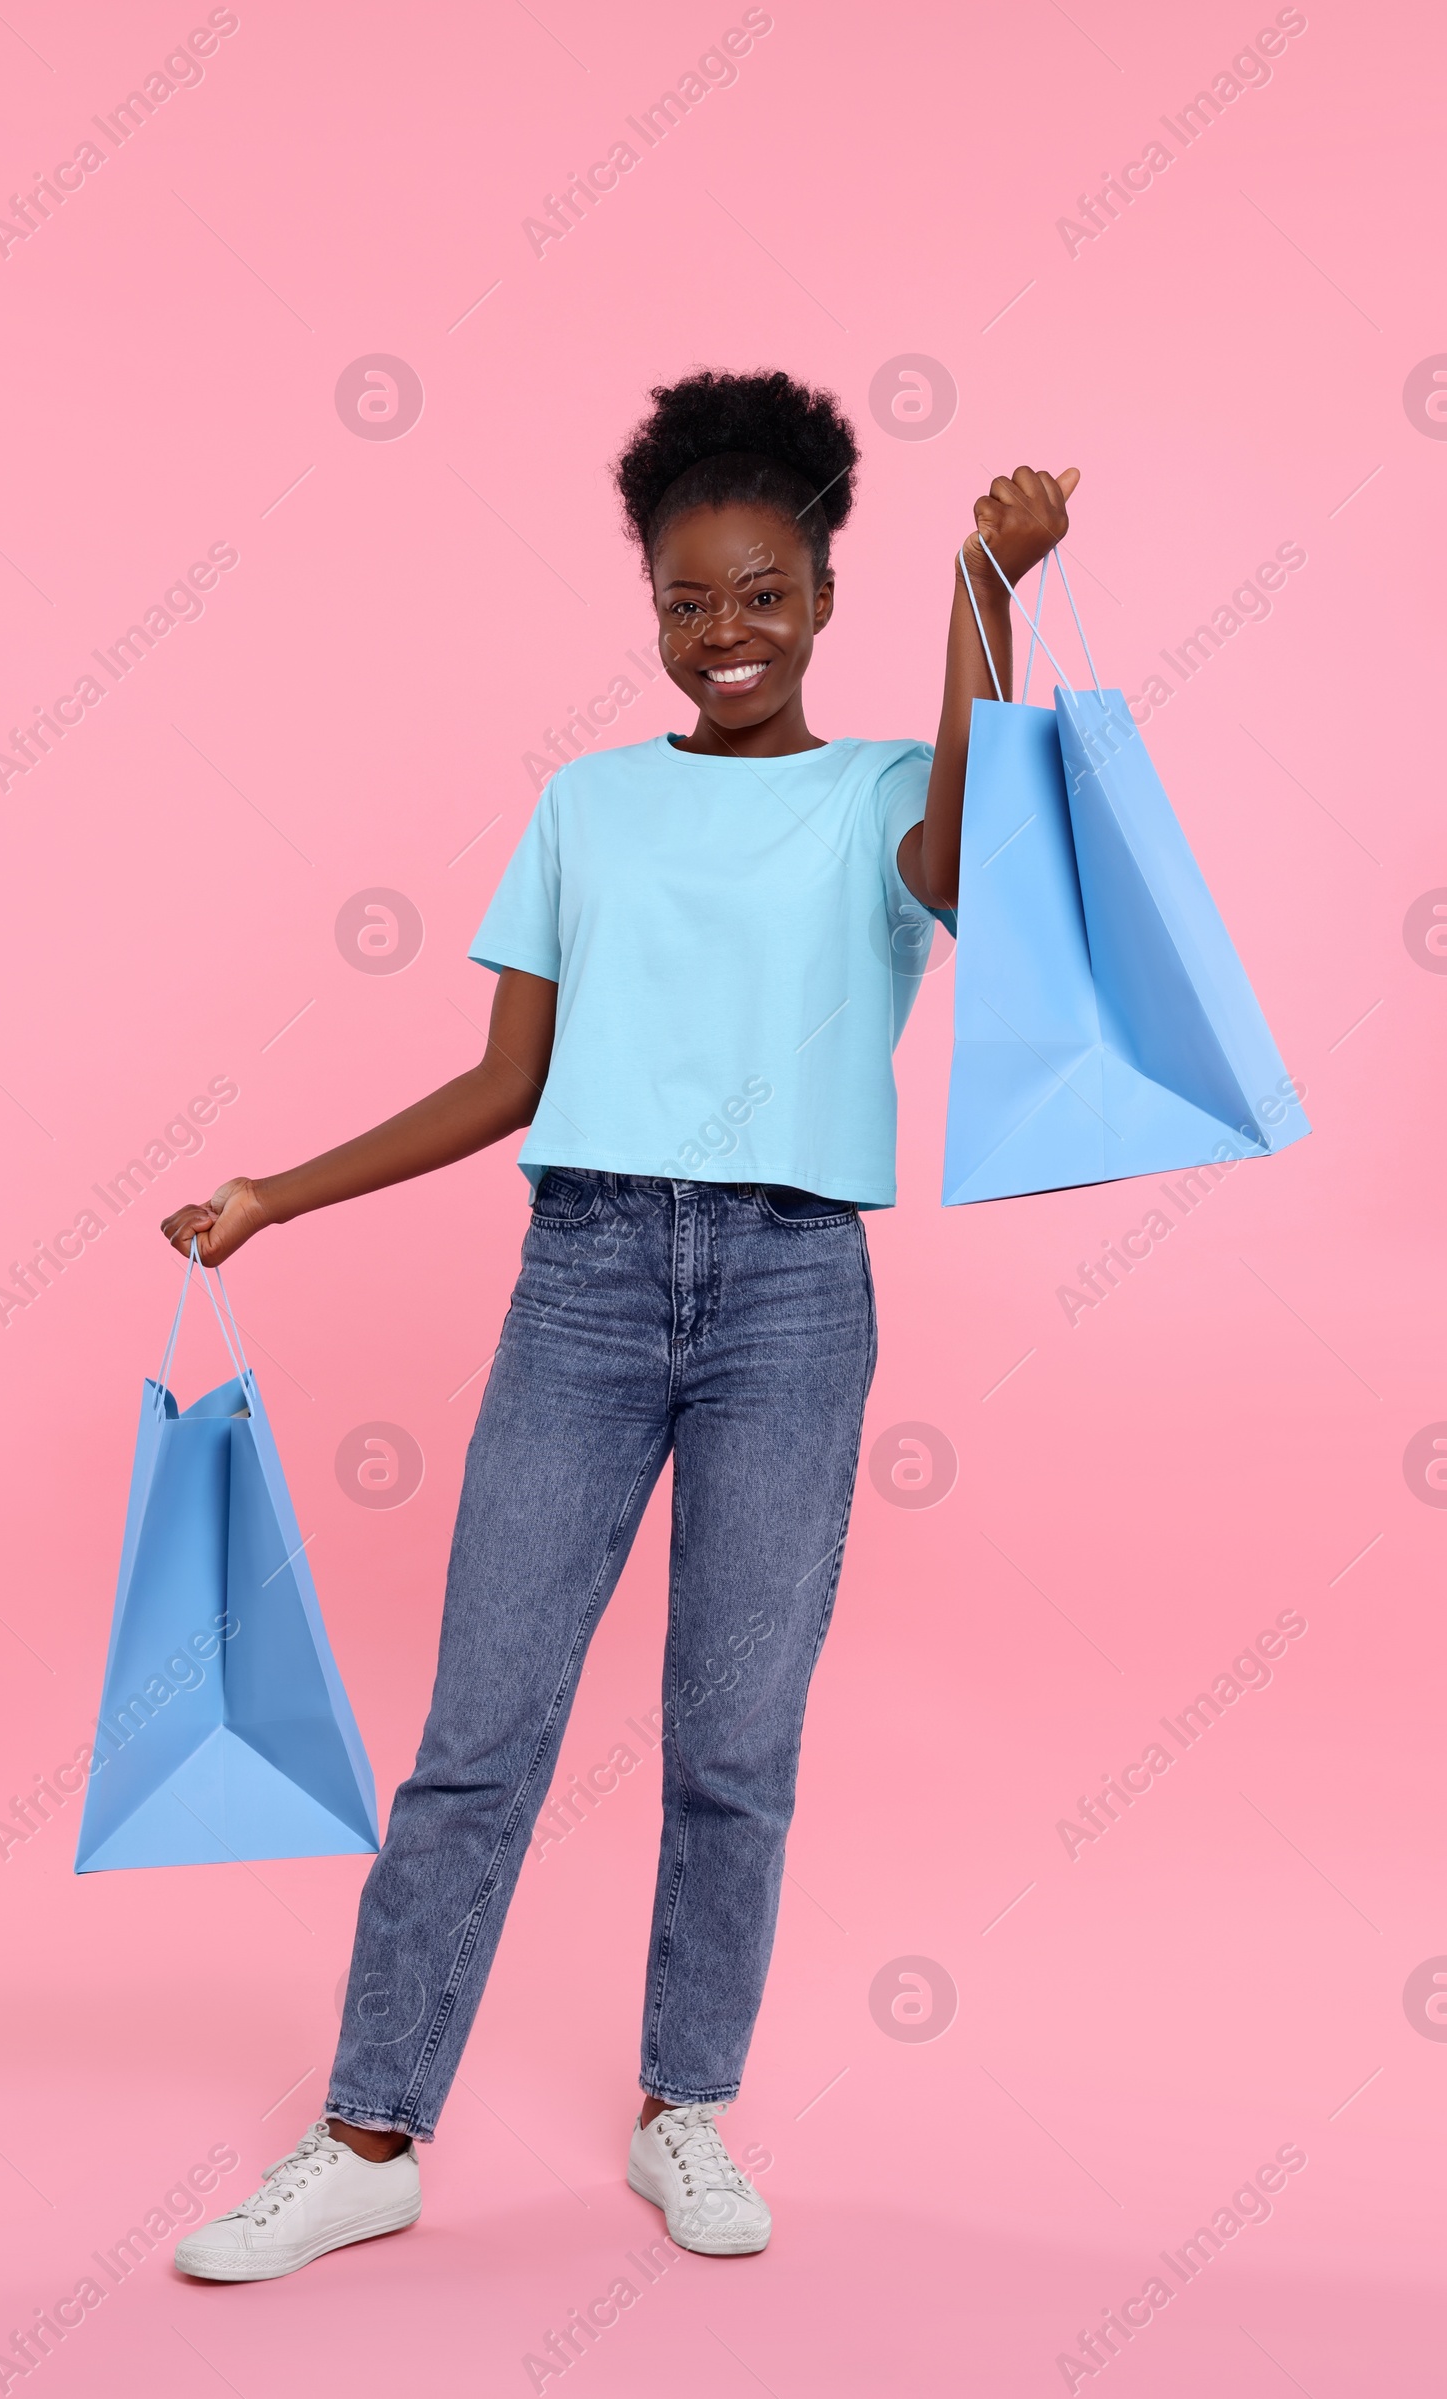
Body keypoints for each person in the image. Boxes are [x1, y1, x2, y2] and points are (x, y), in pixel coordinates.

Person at [162, 368, 1077, 2279]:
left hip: (791, 1287)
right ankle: (369, 2134)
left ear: (824, 594)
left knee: (735, 1735)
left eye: (760, 593)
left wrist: (985, 594)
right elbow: (507, 1081)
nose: (723, 634)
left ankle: (689, 2110)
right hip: (581, 1278)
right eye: (684, 601)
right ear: (649, 611)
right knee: (479, 1731)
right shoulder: (586, 804)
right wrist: (275, 1196)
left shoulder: (892, 793)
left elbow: (976, 871)